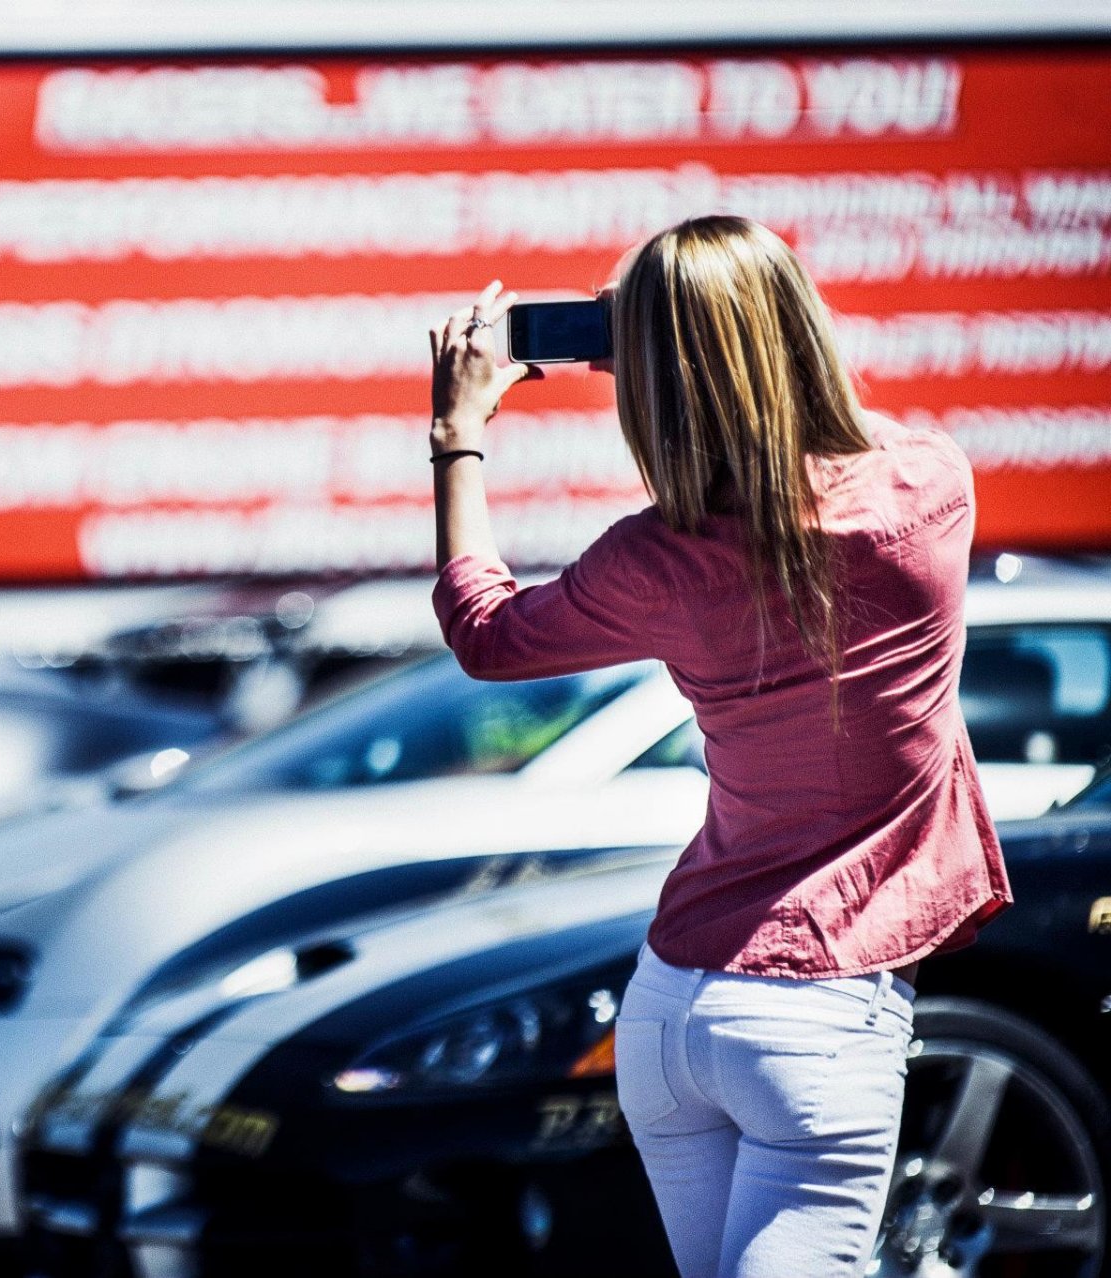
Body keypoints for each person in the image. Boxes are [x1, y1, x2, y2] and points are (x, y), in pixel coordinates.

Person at [426, 214, 1011, 1278]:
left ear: (646, 378)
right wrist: (702, 336)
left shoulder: (653, 560)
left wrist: (458, 433)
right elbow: (841, 437)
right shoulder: (929, 491)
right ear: (796, 331)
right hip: (821, 1009)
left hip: (671, 1006)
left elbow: (484, 631)